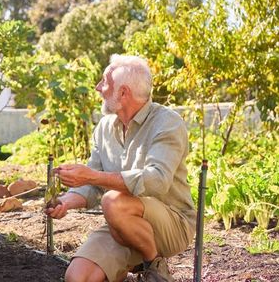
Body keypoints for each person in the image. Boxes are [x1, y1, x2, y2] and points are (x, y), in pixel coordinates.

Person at [46, 54, 196, 282]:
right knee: (78, 278)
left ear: (123, 93)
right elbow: (93, 186)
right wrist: (65, 202)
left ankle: (153, 266)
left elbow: (157, 180)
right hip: (122, 225)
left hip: (172, 224)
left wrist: (93, 176)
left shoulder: (167, 122)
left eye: (104, 82)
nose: (98, 88)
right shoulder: (105, 127)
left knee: (113, 201)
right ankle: (137, 258)